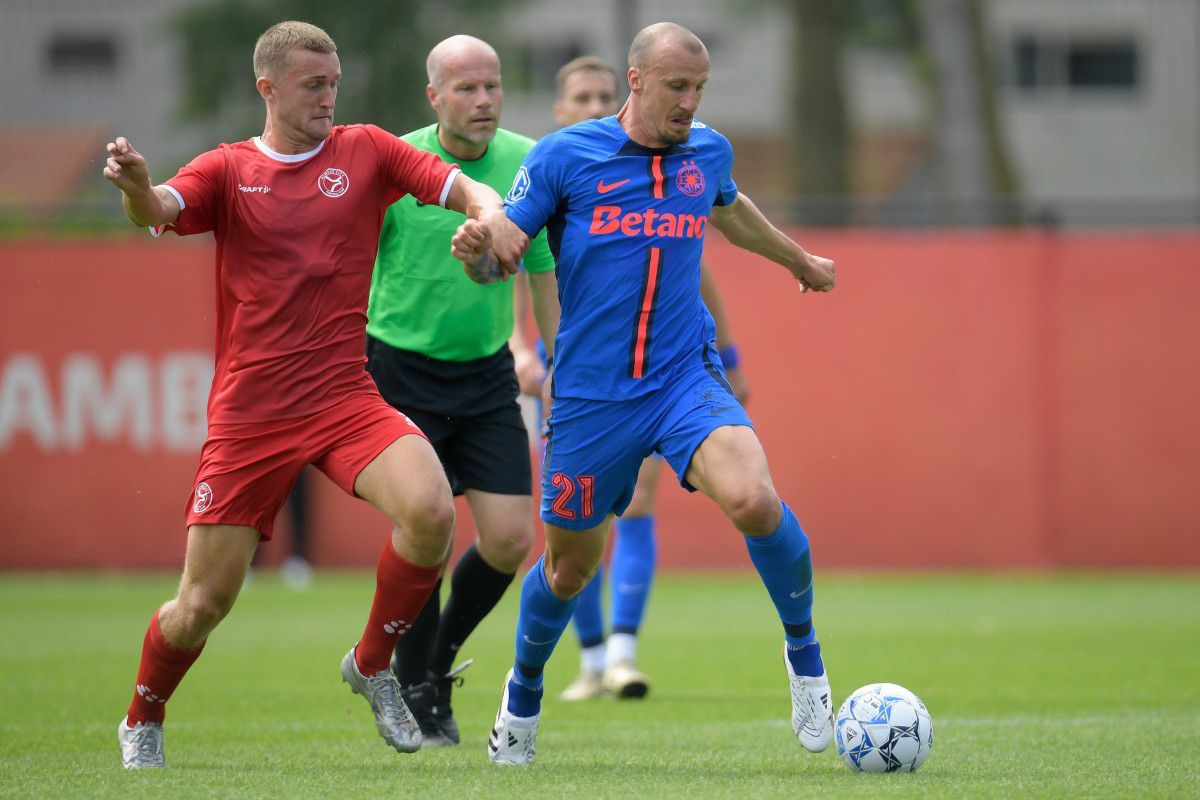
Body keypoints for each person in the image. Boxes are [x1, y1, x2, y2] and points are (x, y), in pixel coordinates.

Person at [103, 20, 525, 769]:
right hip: (252, 414)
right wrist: (138, 186)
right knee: (202, 605)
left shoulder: (366, 150)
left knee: (430, 511)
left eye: (334, 83)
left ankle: (371, 665)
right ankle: (143, 714)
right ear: (268, 88)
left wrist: (490, 216)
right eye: (312, 85)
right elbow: (161, 209)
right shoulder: (229, 168)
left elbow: (463, 187)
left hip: (343, 395)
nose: (330, 98)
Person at [451, 22, 838, 766]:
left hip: (684, 379)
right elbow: (505, 249)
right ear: (637, 81)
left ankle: (805, 659)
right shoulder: (566, 157)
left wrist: (797, 258)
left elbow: (730, 211)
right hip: (591, 396)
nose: (690, 103)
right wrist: (479, 254)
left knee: (755, 500)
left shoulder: (707, 153)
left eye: (699, 89)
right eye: (676, 87)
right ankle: (522, 696)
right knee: (568, 569)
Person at [518, 56, 751, 702]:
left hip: (654, 369)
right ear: (561, 111)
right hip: (574, 380)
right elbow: (523, 272)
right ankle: (590, 660)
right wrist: (523, 351)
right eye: (581, 97)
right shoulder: (557, 171)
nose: (595, 106)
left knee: (641, 504)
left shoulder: (666, 171)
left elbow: (697, 271)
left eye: (602, 94)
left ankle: (621, 655)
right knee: (578, 528)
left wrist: (729, 360)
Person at [366, 35, 558, 747]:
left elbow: (543, 272)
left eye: (493, 86)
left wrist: (559, 368)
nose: (483, 101)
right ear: (435, 97)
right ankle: (415, 689)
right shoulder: (394, 162)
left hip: (484, 377)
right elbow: (353, 263)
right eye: (466, 88)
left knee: (510, 540)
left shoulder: (528, 160)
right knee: (427, 533)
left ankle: (434, 667)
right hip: (398, 373)